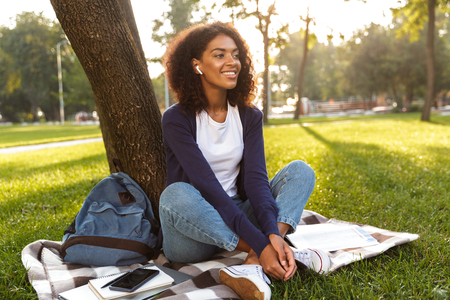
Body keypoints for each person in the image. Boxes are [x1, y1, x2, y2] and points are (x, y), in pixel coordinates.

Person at [160, 21, 330, 300]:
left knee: (300, 171)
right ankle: (264, 253)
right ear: (196, 65)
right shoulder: (177, 119)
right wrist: (260, 242)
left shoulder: (249, 116)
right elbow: (207, 187)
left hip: (238, 215)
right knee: (175, 194)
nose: (232, 62)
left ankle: (253, 262)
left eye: (236, 54)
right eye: (219, 54)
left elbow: (256, 181)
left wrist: (271, 235)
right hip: (192, 233)